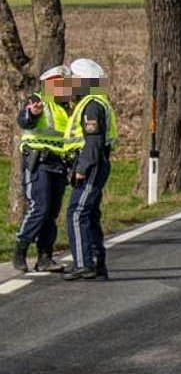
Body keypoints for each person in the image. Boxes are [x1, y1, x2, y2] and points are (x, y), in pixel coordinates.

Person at [13, 66, 71, 273]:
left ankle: (45, 257)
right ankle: (20, 250)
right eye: (59, 84)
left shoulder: (64, 107)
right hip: (38, 162)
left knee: (52, 212)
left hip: (58, 164)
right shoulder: (36, 100)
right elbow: (24, 120)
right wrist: (31, 114)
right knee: (40, 207)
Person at [62, 57, 114, 281]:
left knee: (77, 212)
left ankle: (84, 264)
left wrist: (82, 168)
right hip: (92, 163)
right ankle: (96, 263)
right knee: (90, 214)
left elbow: (93, 142)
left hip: (91, 165)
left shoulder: (91, 106)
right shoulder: (89, 103)